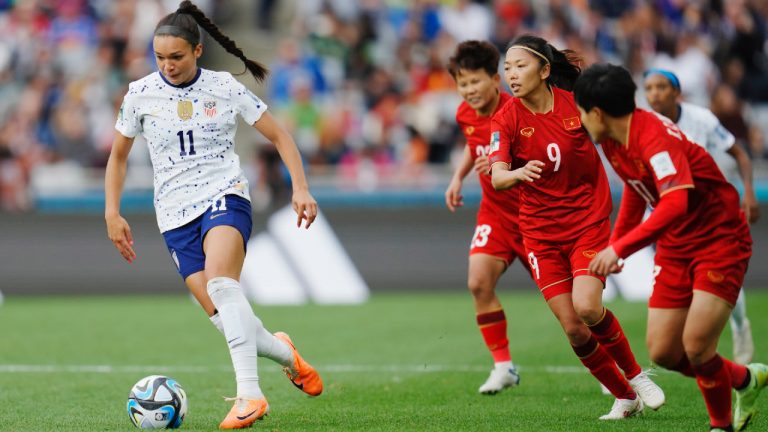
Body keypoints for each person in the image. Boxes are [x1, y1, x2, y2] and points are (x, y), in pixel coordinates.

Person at [104, 2, 323, 429]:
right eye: (160, 58)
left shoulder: (225, 87)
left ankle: (250, 396)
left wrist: (300, 187)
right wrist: (112, 212)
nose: (168, 66)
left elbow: (280, 137)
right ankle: (286, 353)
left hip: (224, 194)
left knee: (224, 284)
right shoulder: (140, 93)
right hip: (173, 215)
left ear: (198, 51)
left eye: (177, 57)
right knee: (227, 318)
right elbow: (117, 157)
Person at [575, 63, 767, 432]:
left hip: (718, 237)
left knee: (696, 345)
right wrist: (618, 245)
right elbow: (635, 188)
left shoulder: (652, 136)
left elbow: (675, 202)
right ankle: (746, 379)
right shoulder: (615, 139)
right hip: (677, 243)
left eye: (583, 113)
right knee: (664, 351)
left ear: (597, 112)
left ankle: (720, 425)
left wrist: (619, 250)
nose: (582, 121)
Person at [488, 35, 664, 420]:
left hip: (587, 222)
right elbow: (498, 177)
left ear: (545, 70)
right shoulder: (506, 118)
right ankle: (624, 396)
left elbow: (616, 138)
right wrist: (515, 172)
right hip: (539, 234)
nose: (512, 76)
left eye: (520, 66)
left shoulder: (578, 106)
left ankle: (637, 376)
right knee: (574, 329)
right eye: (507, 69)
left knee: (587, 306)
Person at [644, 68, 758, 364]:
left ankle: (739, 324)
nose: (654, 94)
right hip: (669, 217)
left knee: (716, 280)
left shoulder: (701, 119)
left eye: (661, 87)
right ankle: (690, 337)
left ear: (676, 91)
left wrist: (748, 191)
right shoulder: (646, 124)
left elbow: (740, 154)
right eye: (649, 88)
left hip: (708, 215)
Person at [444, 40, 528, 395]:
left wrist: (501, 165)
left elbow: (536, 161)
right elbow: (472, 142)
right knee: (478, 282)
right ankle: (503, 366)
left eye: (475, 82)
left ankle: (610, 366)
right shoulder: (466, 113)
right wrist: (458, 176)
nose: (469, 91)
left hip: (533, 215)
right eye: (463, 84)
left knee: (572, 308)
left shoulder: (519, 112)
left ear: (496, 80)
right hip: (494, 214)